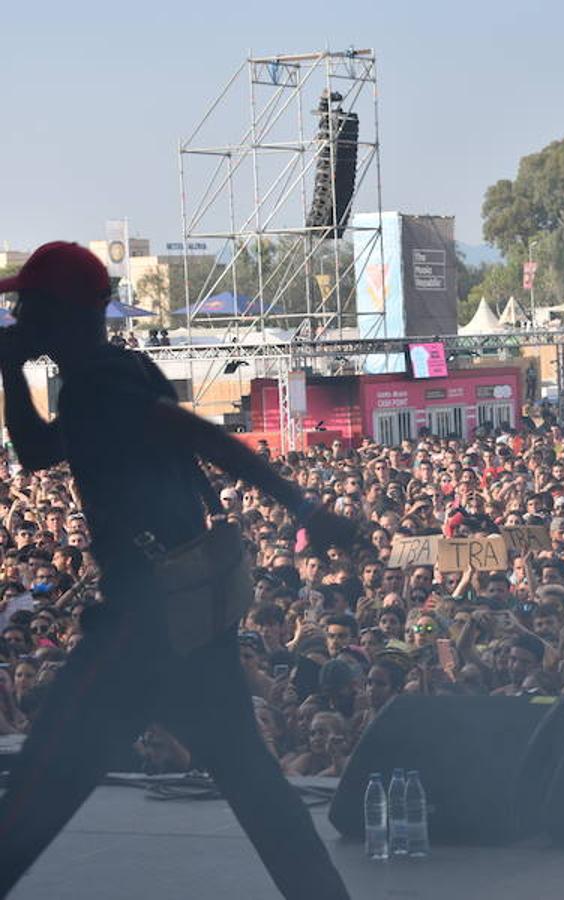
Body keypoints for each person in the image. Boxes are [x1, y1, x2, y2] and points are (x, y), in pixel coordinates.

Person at [0, 242, 353, 898]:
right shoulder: (122, 371)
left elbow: (198, 435)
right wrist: (11, 373)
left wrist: (302, 502)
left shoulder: (97, 384)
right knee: (256, 790)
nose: (16, 313)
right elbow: (40, 450)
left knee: (40, 787)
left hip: (141, 625)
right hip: (191, 619)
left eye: (26, 303)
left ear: (54, 312)